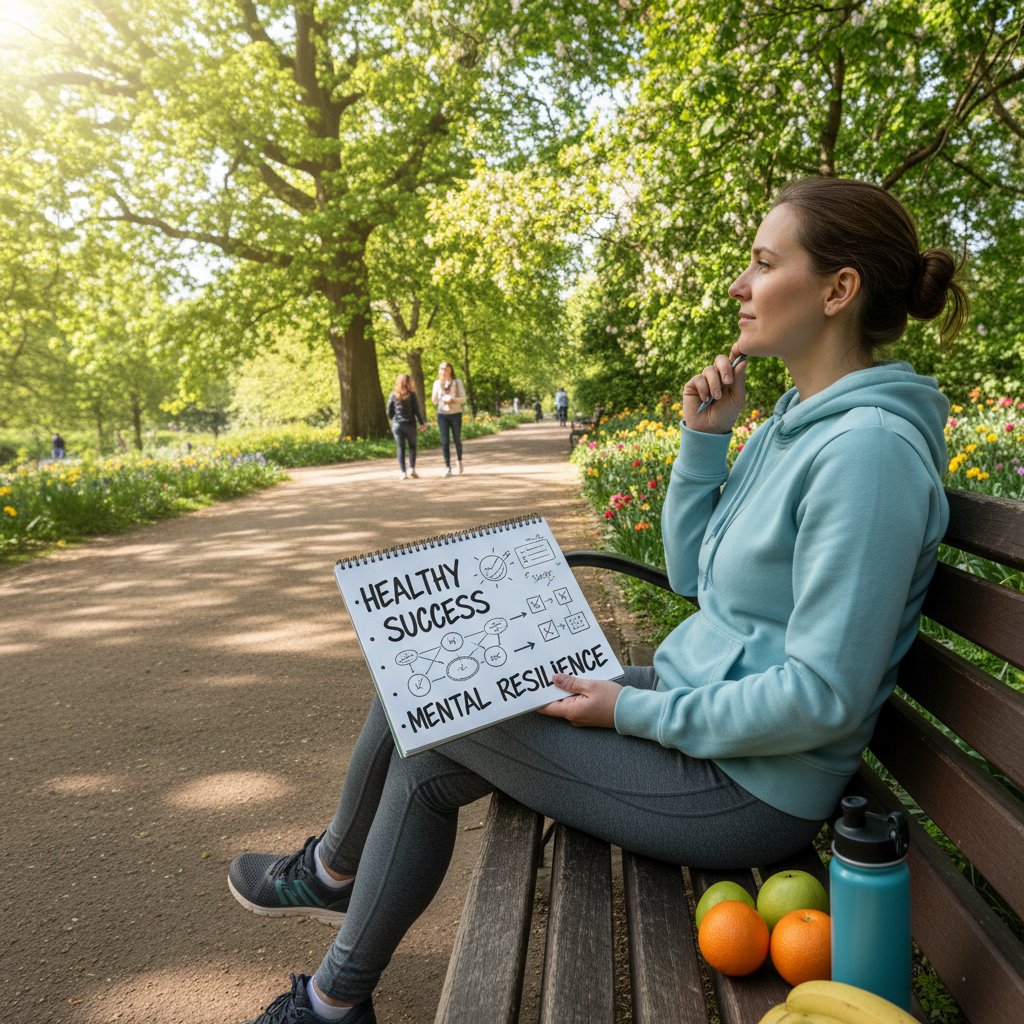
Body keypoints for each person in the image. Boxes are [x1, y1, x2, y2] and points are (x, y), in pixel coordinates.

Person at [228, 177, 965, 1024]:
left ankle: (330, 943)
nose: (739, 285)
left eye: (764, 263)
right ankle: (333, 935)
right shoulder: (796, 423)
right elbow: (695, 576)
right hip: (702, 717)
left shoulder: (866, 453)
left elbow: (823, 699)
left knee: (439, 700)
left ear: (838, 290)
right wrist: (705, 440)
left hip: (750, 787)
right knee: (433, 694)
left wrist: (626, 714)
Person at [385, 373, 426, 480]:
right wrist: (422, 423)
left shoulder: (393, 394)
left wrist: (394, 419)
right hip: (410, 425)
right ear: (409, 382)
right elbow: (417, 410)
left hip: (397, 425)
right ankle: (411, 469)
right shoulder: (412, 394)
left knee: (400, 447)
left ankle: (403, 472)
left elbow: (389, 411)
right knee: (412, 447)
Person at [430, 360, 466, 476]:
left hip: (455, 414)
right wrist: (437, 397)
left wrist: (453, 400)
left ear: (450, 370)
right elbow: (434, 401)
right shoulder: (436, 383)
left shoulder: (457, 382)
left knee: (456, 439)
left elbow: (463, 399)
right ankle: (447, 467)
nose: (443, 371)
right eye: (441, 369)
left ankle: (459, 460)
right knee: (445, 442)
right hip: (442, 415)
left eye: (445, 368)